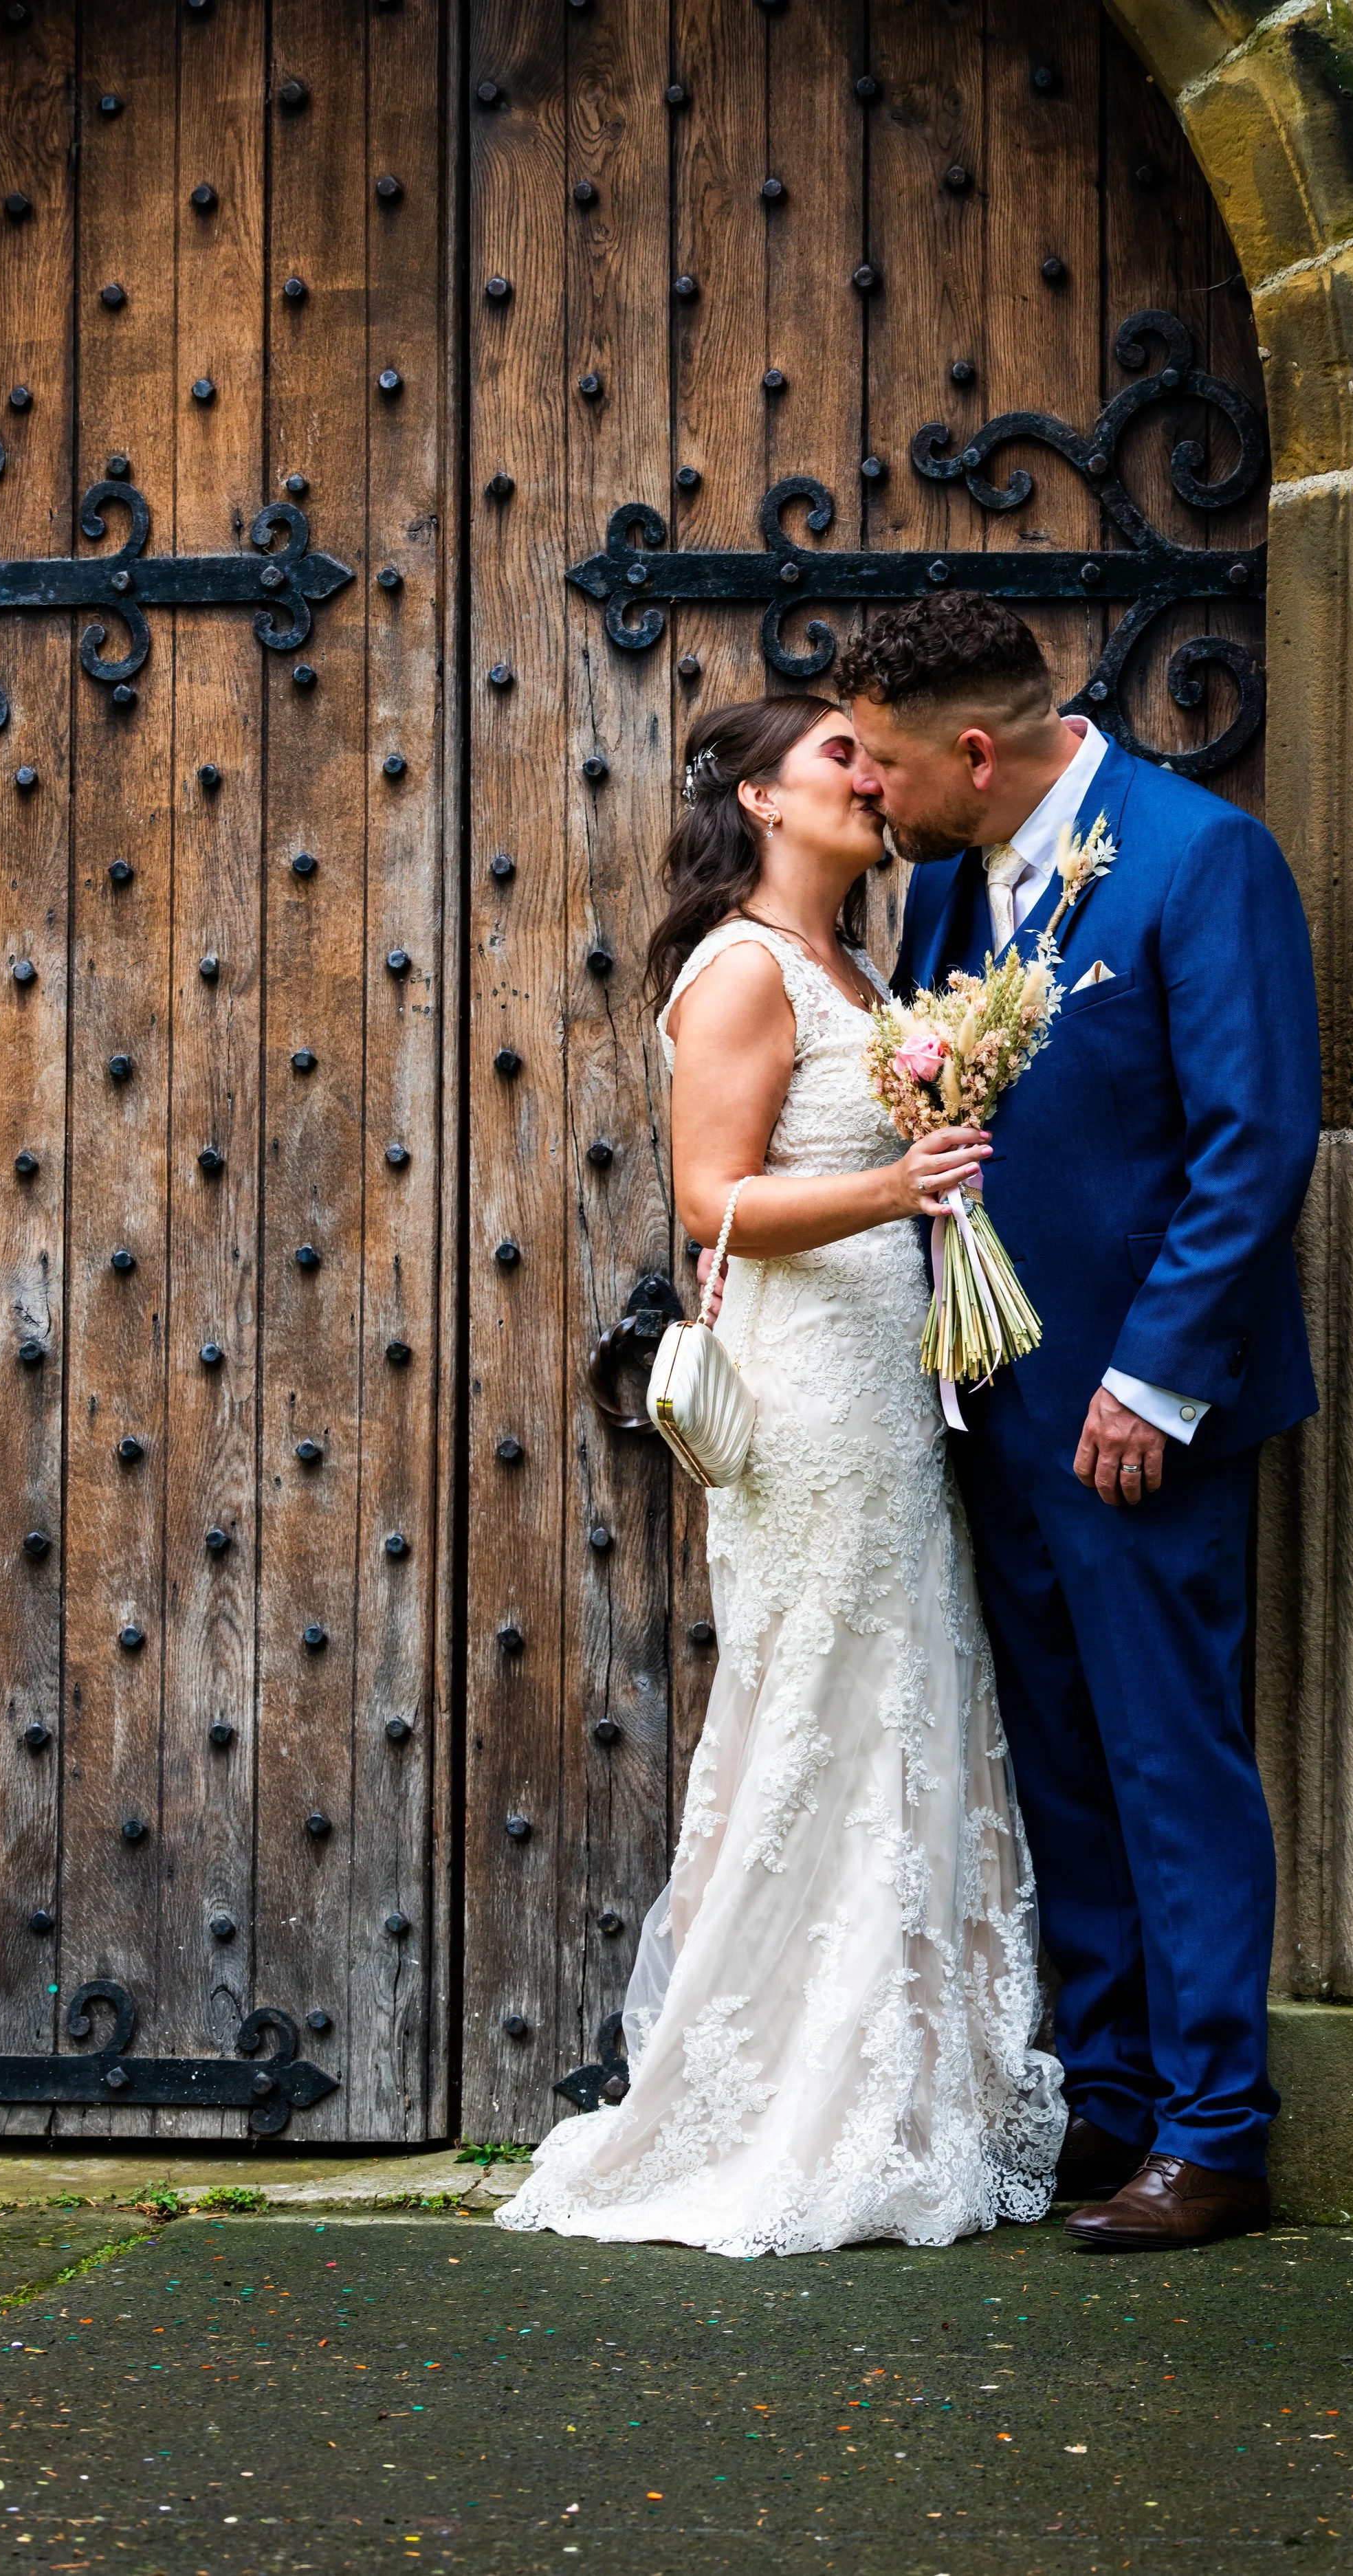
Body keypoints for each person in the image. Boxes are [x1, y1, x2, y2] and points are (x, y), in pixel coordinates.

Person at [496, 693, 1066, 2259]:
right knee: (816, 1704)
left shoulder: (861, 969)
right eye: (837, 755)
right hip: (808, 1404)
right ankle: (765, 2105)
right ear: (757, 796)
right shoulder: (742, 966)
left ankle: (893, 2090)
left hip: (890, 1392)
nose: (868, 778)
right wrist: (900, 1180)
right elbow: (708, 1197)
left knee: (899, 1697)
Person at [840, 592, 1321, 2251]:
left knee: (1166, 1753)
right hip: (994, 1405)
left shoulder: (1199, 859)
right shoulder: (946, 887)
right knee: (1059, 1760)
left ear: (975, 752)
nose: (870, 797)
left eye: (890, 768)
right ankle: (1109, 2097)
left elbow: (1251, 1143)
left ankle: (1214, 2129)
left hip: (1139, 1414)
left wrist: (1148, 1378)